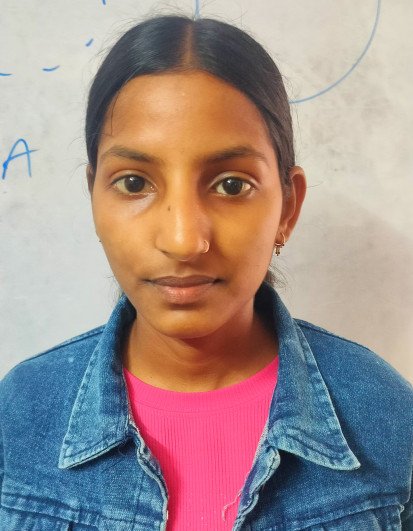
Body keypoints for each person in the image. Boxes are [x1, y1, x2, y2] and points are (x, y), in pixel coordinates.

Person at [1, 13, 412, 531]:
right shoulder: (20, 414)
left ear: (287, 207)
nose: (183, 240)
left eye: (231, 185)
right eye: (134, 183)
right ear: (93, 197)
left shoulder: (386, 417)